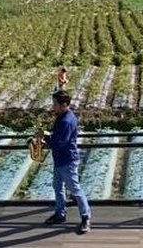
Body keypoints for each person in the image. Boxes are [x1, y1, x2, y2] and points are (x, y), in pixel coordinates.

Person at [37, 90, 91, 234]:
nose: (53, 106)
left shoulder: (66, 121)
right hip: (61, 159)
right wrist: (48, 136)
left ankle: (86, 217)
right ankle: (60, 214)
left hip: (67, 160)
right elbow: (58, 138)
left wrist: (45, 140)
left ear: (64, 104)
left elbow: (59, 142)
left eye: (55, 104)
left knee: (75, 189)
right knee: (58, 186)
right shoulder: (64, 116)